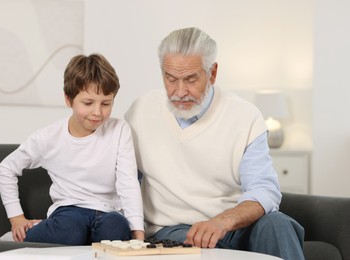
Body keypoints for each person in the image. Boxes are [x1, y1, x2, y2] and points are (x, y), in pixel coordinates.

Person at [124, 27, 304, 259]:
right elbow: (124, 179)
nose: (180, 91)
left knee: (278, 225)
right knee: (199, 249)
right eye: (171, 79)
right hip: (173, 229)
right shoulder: (140, 111)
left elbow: (264, 189)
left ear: (212, 73)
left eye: (190, 79)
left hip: (234, 225)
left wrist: (223, 221)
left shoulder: (246, 117)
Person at [0, 53, 144, 245]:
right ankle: (25, 236)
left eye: (106, 103)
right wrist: (16, 218)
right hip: (69, 211)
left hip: (109, 211)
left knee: (116, 227)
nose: (98, 112)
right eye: (88, 103)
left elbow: (128, 182)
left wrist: (138, 235)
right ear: (69, 99)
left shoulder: (120, 130)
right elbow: (5, 169)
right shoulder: (48, 138)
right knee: (71, 229)